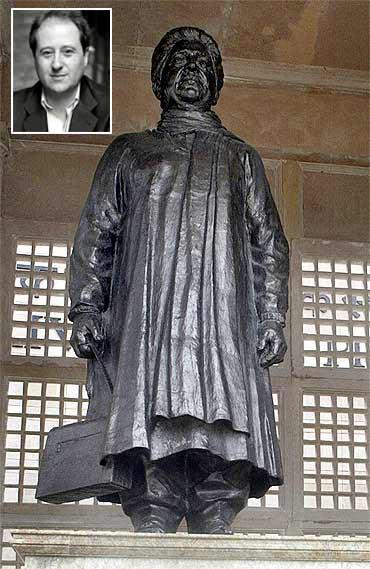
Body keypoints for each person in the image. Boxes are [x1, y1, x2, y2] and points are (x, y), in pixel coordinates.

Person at [69, 27, 289, 534]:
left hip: (225, 327)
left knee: (224, 437)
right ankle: (155, 508)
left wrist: (272, 315)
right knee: (150, 439)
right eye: (179, 63)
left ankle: (217, 508)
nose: (190, 71)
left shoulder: (240, 158)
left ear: (213, 85)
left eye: (201, 66)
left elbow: (268, 244)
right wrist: (85, 307)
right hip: (148, 324)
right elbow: (95, 234)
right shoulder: (130, 152)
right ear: (160, 81)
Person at [13, 10, 110, 133]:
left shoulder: (111, 107)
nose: (56, 64)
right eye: (47, 53)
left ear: (86, 56)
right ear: (35, 57)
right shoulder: (9, 109)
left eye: (68, 51)